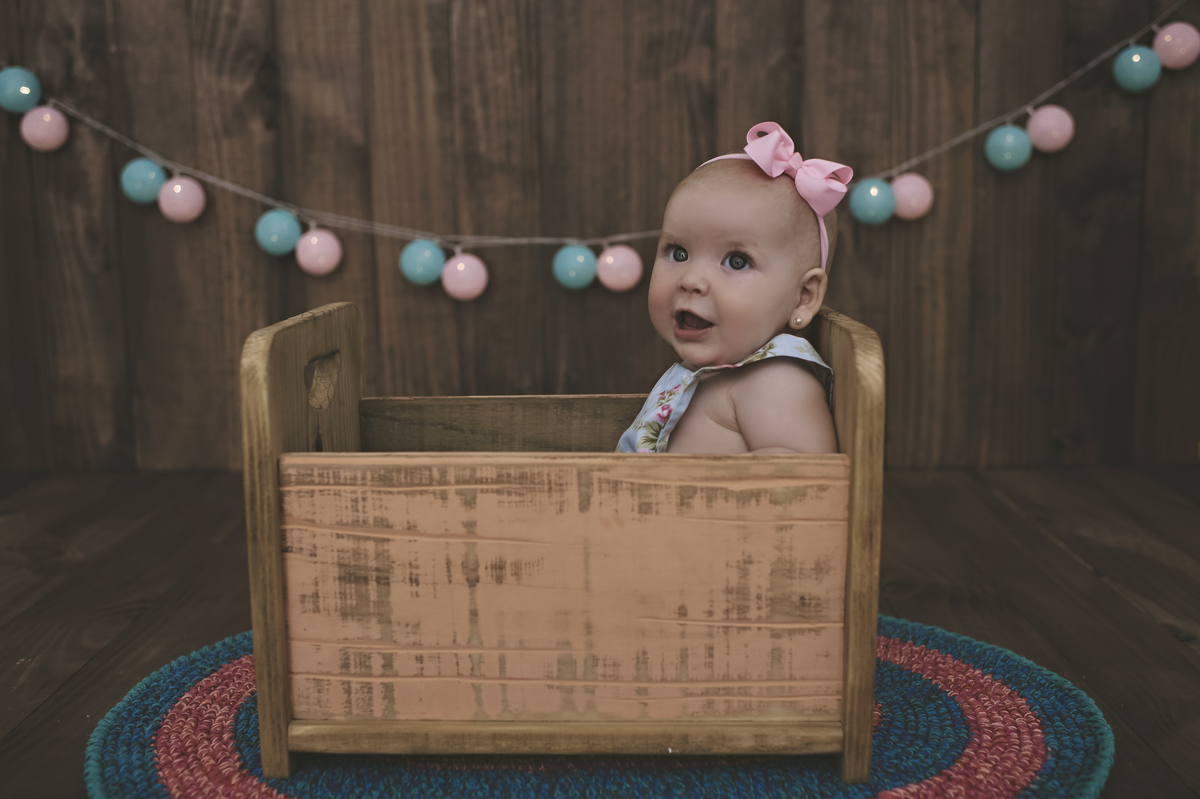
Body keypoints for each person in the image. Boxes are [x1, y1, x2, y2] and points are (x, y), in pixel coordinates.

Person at [616, 121, 853, 454]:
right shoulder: (707, 376)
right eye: (679, 253)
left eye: (737, 261)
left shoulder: (776, 382)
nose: (691, 280)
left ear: (803, 297)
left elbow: (802, 478)